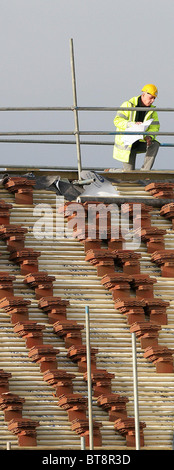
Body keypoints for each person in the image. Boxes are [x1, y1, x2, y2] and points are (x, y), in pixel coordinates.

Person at [113, 84, 160, 171]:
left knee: (155, 144)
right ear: (143, 95)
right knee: (130, 176)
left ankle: (145, 172)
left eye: (154, 98)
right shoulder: (127, 105)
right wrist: (132, 124)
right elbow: (117, 121)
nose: (152, 101)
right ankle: (113, 171)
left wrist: (149, 137)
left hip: (141, 141)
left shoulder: (152, 111)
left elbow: (155, 127)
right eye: (151, 97)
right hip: (128, 143)